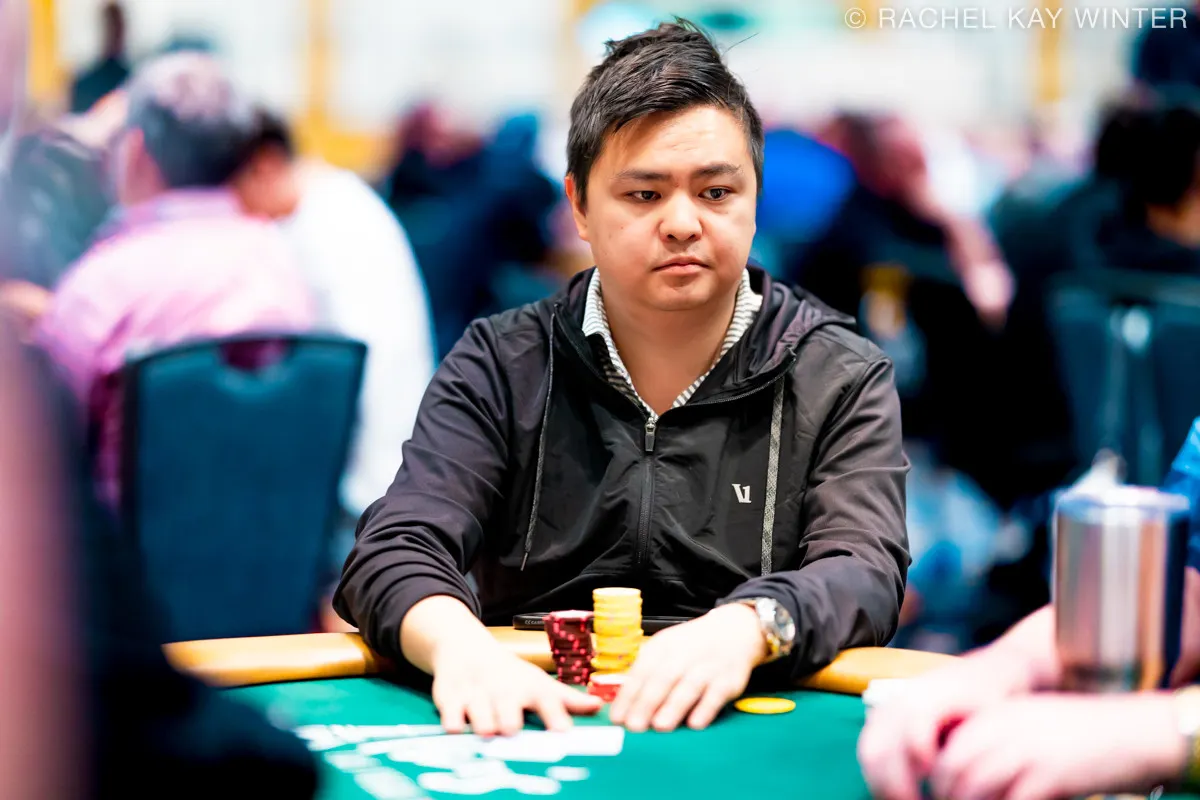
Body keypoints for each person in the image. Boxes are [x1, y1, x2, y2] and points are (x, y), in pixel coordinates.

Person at [335, 20, 908, 738]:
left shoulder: (839, 374)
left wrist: (749, 625)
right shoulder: (502, 363)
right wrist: (461, 650)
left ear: (755, 197)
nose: (682, 223)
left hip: (746, 724)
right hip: (532, 720)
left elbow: (864, 568)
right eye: (643, 195)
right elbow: (395, 547)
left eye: (717, 192)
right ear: (578, 206)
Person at [34, 52, 314, 508]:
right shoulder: (285, 263)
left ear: (136, 152)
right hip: (268, 539)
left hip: (122, 548)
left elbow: (40, 437)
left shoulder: (102, 284)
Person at [231, 109, 436, 519]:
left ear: (264, 166)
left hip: (367, 485)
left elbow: (353, 368)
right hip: (386, 469)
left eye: (234, 190)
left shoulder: (326, 225)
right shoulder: (334, 202)